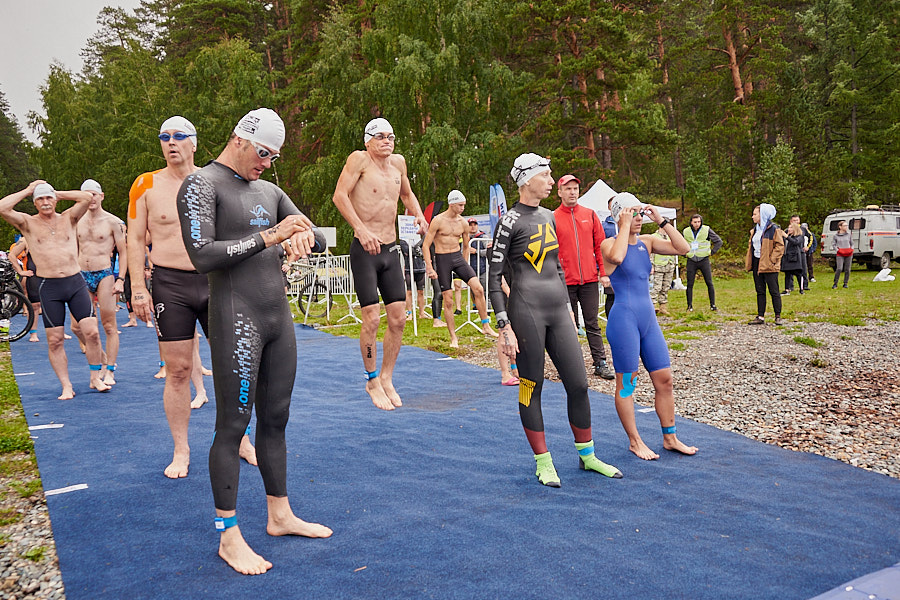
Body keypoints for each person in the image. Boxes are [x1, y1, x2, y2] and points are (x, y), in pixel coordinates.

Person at [178, 107, 332, 575]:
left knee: (278, 418)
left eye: (274, 156)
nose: (267, 163)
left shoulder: (270, 189)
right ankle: (229, 536)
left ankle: (279, 514)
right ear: (240, 139)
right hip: (236, 318)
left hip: (276, 319)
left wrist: (305, 235)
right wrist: (271, 237)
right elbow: (202, 255)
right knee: (233, 424)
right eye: (264, 152)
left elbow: (313, 231)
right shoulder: (202, 184)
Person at [128, 115, 253, 478]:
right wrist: (138, 288)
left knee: (233, 366)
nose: (171, 143)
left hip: (218, 281)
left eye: (179, 136)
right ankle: (181, 448)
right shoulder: (145, 185)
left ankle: (241, 439)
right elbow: (135, 239)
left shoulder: (216, 180)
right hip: (171, 284)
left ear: (194, 143)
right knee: (178, 370)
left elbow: (240, 232)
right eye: (164, 136)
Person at [490, 153, 621, 487]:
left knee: (579, 384)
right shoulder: (509, 221)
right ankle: (543, 461)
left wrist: (567, 308)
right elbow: (493, 277)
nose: (551, 181)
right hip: (526, 312)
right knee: (531, 388)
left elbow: (557, 267)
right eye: (546, 175)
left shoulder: (548, 216)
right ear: (527, 180)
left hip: (558, 311)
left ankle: (587, 456)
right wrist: (505, 327)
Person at [332, 117, 428, 410]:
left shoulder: (399, 163)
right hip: (365, 250)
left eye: (391, 136)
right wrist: (360, 229)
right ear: (367, 141)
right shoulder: (359, 160)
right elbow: (339, 196)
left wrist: (419, 214)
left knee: (399, 318)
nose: (387, 141)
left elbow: (407, 193)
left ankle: (387, 377)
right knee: (372, 319)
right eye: (381, 136)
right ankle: (372, 379)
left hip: (390, 249)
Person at [600, 193, 698, 461]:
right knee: (627, 384)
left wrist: (662, 221)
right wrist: (622, 225)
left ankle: (670, 437)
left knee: (665, 380)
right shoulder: (609, 243)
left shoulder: (648, 242)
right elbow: (618, 257)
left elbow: (684, 249)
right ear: (620, 215)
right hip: (623, 320)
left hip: (648, 321)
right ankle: (635, 441)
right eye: (633, 214)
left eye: (640, 213)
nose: (639, 219)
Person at [0, 181, 111, 398]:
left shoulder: (69, 218)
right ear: (34, 203)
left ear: (55, 200)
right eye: (40, 199)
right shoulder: (27, 223)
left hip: (74, 282)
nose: (45, 202)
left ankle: (95, 377)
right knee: (55, 339)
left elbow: (86, 197)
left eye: (48, 198)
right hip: (49, 286)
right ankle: (66, 385)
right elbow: (2, 208)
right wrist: (29, 190)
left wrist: (55, 192)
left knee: (92, 333)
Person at [552, 174, 614, 380]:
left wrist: (603, 273)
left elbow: (601, 246)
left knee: (592, 323)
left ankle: (600, 362)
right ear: (559, 192)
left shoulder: (590, 214)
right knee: (566, 325)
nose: (572, 192)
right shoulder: (552, 217)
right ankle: (569, 366)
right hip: (564, 281)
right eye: (567, 189)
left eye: (575, 189)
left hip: (588, 279)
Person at [422, 190, 497, 348]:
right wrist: (429, 267)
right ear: (452, 204)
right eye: (460, 205)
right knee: (448, 300)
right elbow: (426, 245)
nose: (463, 208)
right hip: (442, 260)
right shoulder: (438, 221)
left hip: (458, 258)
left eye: (464, 205)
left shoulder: (463, 223)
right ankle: (453, 337)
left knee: (479, 289)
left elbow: (466, 246)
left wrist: (465, 264)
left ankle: (486, 325)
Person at [71, 179, 127, 386]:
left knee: (109, 325)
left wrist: (120, 278)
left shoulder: (113, 222)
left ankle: (109, 370)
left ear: (101, 196)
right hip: (80, 275)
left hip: (104, 273)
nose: (90, 198)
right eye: (86, 194)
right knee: (77, 327)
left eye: (94, 194)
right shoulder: (76, 220)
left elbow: (123, 252)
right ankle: (101, 357)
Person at [745, 203, 785, 325]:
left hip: (769, 264)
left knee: (774, 290)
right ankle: (760, 316)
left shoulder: (774, 229)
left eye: (755, 214)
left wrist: (772, 259)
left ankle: (777, 316)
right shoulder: (755, 230)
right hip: (757, 262)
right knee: (760, 290)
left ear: (762, 215)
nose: (752, 216)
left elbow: (780, 246)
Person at [682, 214, 722, 311]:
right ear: (691, 222)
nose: (697, 224)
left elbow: (719, 241)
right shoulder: (686, 231)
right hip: (691, 259)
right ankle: (689, 306)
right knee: (690, 284)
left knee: (709, 282)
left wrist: (711, 252)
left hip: (704, 259)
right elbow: (679, 242)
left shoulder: (706, 230)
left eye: (699, 222)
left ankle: (712, 305)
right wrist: (683, 254)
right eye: (695, 222)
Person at [9, 237, 41, 342]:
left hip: (52, 274)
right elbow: (11, 255)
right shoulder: (26, 238)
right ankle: (33, 333)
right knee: (35, 305)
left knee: (56, 303)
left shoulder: (53, 235)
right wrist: (20, 271)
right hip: (34, 274)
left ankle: (60, 331)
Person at [650, 227, 677, 315]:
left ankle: (663, 307)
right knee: (656, 287)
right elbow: (651, 252)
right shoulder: (654, 237)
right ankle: (652, 306)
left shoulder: (671, 236)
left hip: (669, 265)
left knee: (666, 287)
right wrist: (651, 265)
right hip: (658, 266)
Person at [398, 238, 427, 320]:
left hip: (420, 268)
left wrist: (419, 244)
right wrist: (418, 246)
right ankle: (409, 313)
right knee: (409, 291)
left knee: (421, 291)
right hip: (409, 269)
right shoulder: (403, 241)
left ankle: (422, 312)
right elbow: (409, 252)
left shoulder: (421, 239)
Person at [780, 222, 805, 295]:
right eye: (789, 227)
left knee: (798, 274)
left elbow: (796, 242)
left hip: (795, 258)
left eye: (791, 227)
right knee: (787, 274)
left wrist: (787, 237)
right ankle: (787, 289)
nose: (789, 229)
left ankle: (801, 289)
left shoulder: (799, 236)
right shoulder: (787, 236)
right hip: (787, 257)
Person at [831, 220, 853, 289]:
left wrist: (851, 249)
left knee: (847, 269)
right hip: (840, 254)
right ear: (840, 227)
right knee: (839, 268)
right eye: (845, 226)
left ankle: (845, 283)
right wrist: (838, 250)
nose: (846, 227)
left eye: (847, 226)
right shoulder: (836, 236)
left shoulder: (849, 235)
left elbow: (852, 243)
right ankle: (835, 283)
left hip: (848, 253)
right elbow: (833, 244)